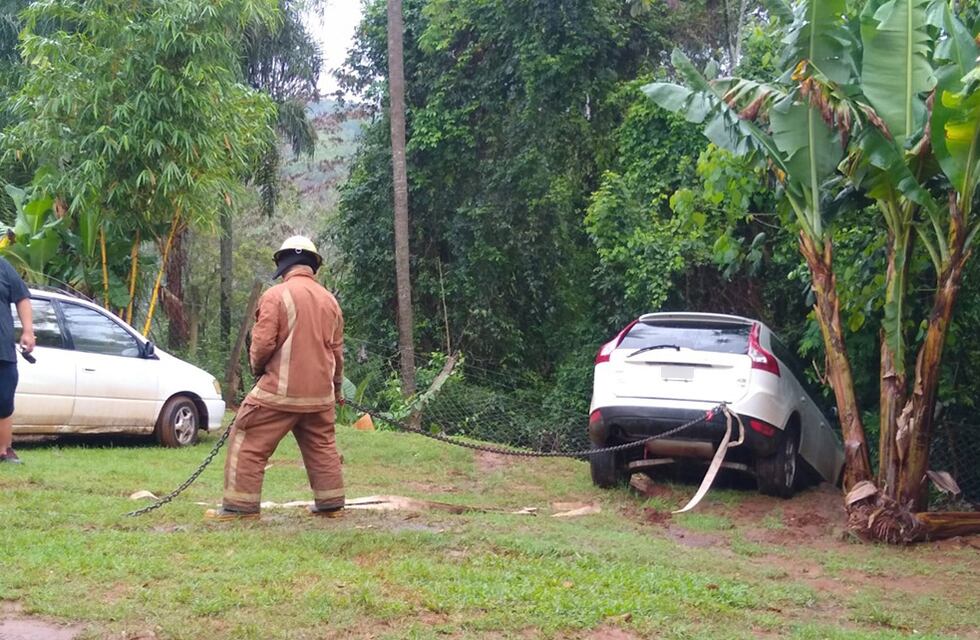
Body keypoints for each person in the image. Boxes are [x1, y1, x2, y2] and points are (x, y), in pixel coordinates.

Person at [206, 236, 345, 520]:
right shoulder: (330, 301)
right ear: (313, 265)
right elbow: (337, 352)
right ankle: (330, 504)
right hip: (320, 395)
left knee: (247, 438)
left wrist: (258, 370)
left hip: (278, 392)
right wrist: (337, 388)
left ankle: (240, 507)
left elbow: (262, 345)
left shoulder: (275, 296)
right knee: (322, 445)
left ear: (283, 263)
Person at [0, 256, 34, 464]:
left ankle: (4, 450)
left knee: (4, 399)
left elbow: (22, 298)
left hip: (3, 349)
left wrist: (28, 331)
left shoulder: (3, 266)